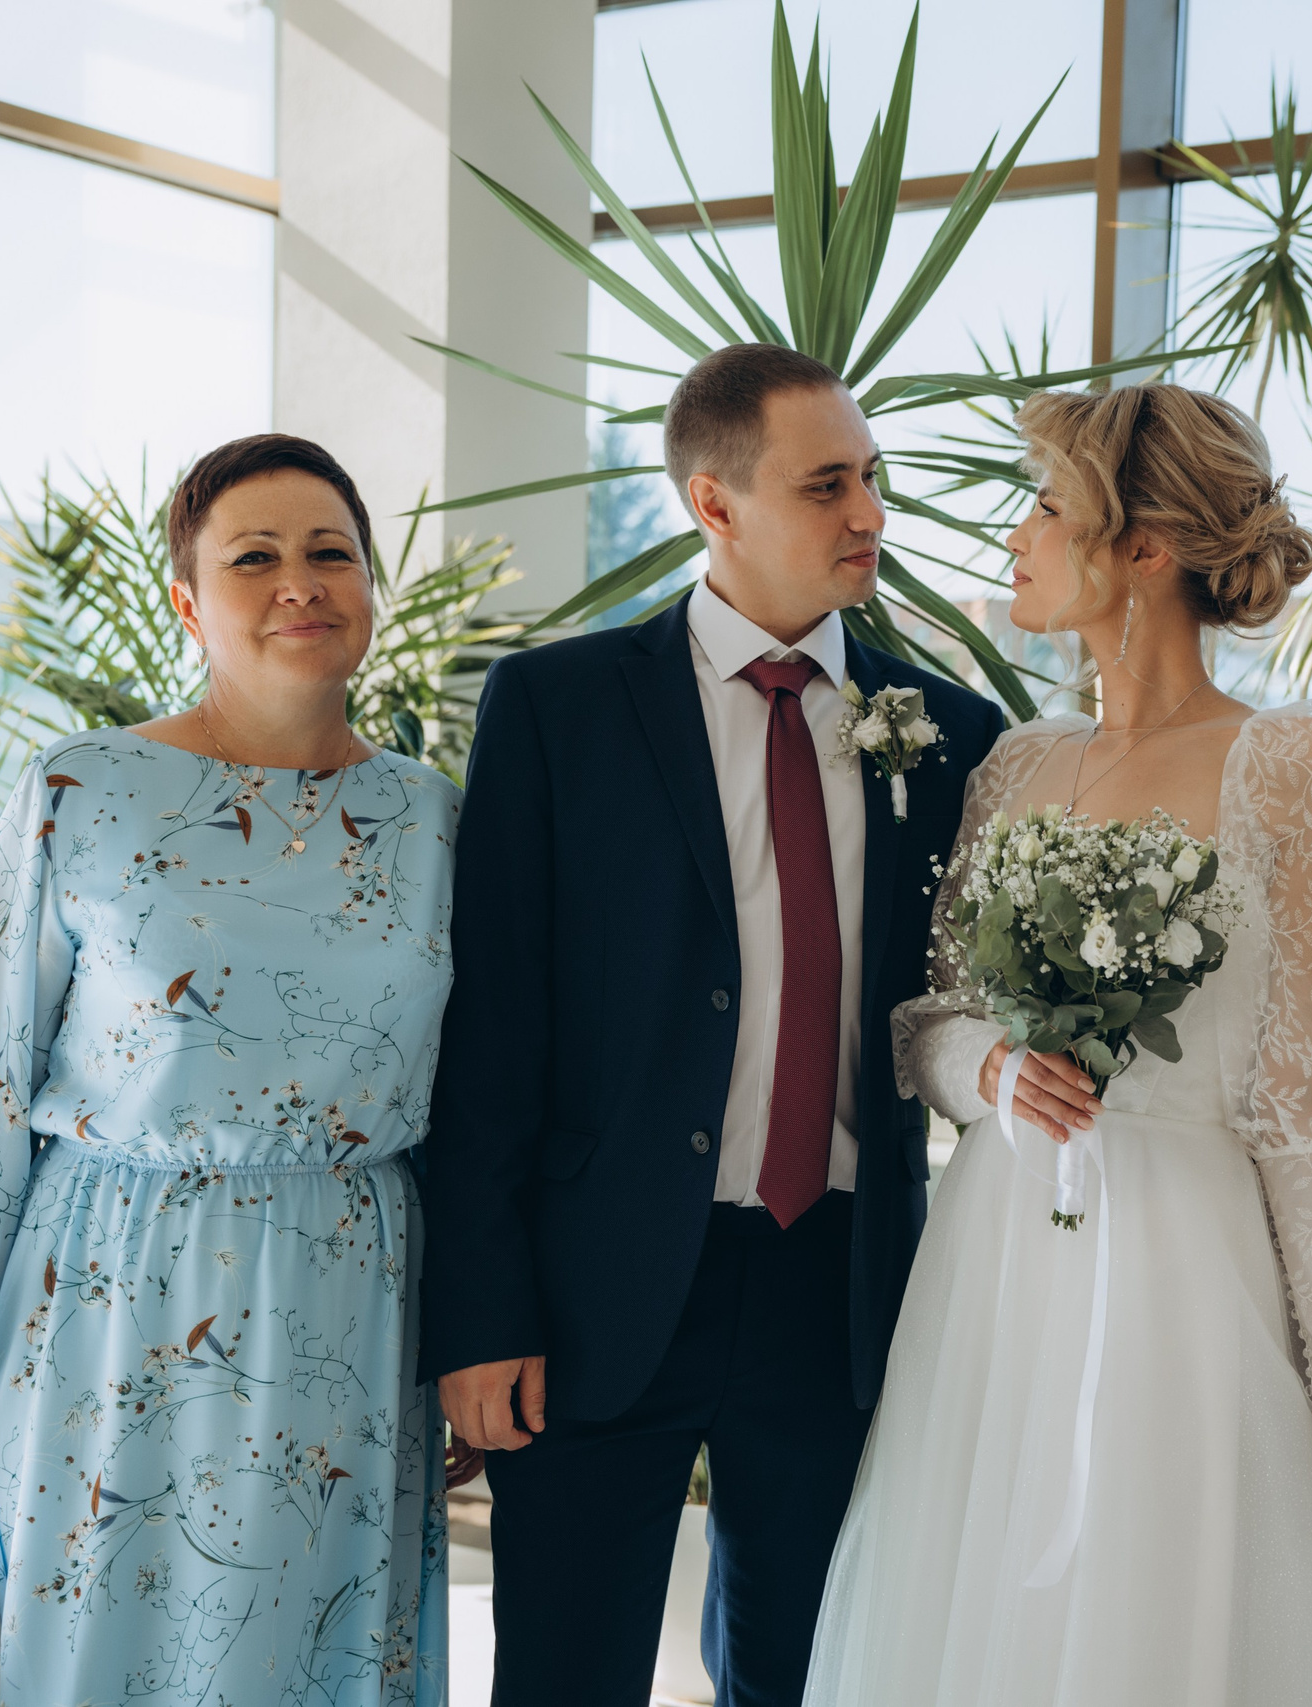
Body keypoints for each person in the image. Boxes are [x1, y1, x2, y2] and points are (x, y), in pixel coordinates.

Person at [807, 383, 1312, 1707]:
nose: (1014, 537)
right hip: (992, 1268)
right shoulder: (1015, 765)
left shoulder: (1292, 758)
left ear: (1144, 546)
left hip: (1185, 1268)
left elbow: (1305, 1104)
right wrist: (989, 1065)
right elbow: (923, 1022)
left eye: (1046, 505)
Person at [420, 343, 1000, 1707]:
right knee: (565, 1671)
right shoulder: (557, 708)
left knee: (810, 1671)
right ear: (714, 503)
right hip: (599, 1284)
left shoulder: (954, 732)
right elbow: (493, 1029)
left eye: (872, 478)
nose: (869, 513)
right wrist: (481, 1312)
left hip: (841, 1287)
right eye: (826, 484)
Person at [0, 433, 456, 1704]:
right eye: (255, 557)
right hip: (112, 1304)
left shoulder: (437, 817)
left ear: (369, 588)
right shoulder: (84, 789)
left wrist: (474, 1331)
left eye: (330, 553)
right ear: (190, 599)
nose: (300, 581)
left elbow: (481, 1099)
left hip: (355, 1308)